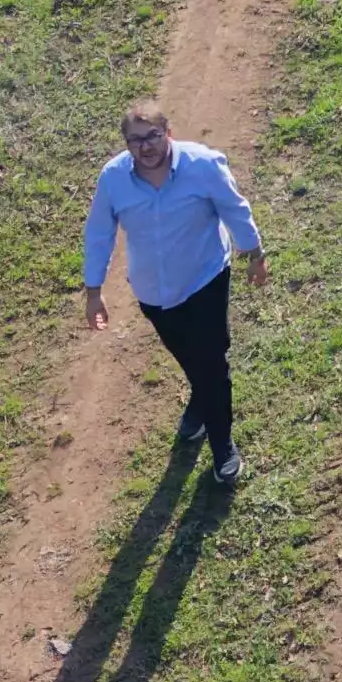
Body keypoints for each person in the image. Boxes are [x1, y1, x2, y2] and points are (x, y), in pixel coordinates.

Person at [82, 98, 268, 489]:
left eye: (152, 136)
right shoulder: (114, 179)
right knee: (190, 356)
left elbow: (235, 209)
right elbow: (99, 235)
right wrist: (93, 290)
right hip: (153, 292)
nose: (145, 147)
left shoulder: (202, 166)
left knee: (213, 364)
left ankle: (222, 446)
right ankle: (200, 399)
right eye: (135, 141)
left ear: (168, 133)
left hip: (204, 278)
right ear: (125, 144)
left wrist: (254, 254)